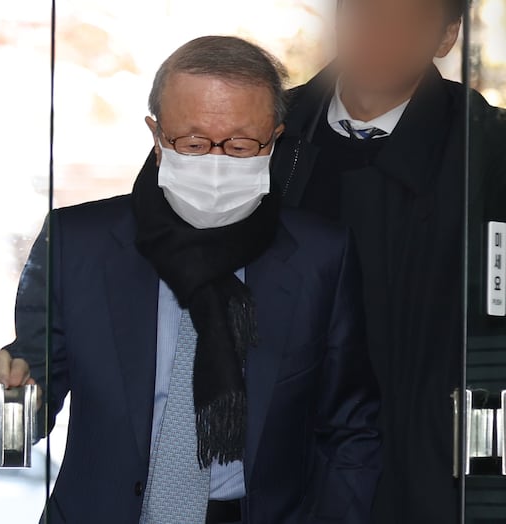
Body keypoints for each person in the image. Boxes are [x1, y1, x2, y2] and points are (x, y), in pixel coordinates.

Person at [0, 36, 381, 524]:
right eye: (194, 143)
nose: (216, 162)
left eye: (240, 145)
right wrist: (7, 397)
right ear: (157, 137)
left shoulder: (319, 256)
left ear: (274, 139)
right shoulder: (78, 244)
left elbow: (352, 427)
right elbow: (32, 400)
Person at [271, 1, 506, 523]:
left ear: (446, 37)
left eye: (405, 22)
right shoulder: (265, 131)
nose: (378, 36)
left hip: (429, 471)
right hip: (279, 465)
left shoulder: (488, 151)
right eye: (365, 14)